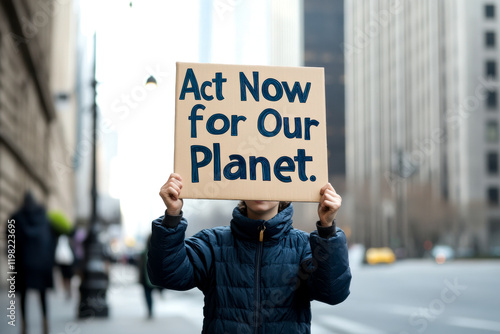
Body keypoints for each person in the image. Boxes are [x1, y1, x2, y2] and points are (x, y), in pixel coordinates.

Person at [148, 173, 351, 333]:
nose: (260, 188)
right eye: (253, 178)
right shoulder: (212, 243)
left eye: (270, 179)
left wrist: (327, 229)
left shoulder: (304, 246)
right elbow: (166, 275)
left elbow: (333, 293)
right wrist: (172, 217)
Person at [9, 192, 56, 334]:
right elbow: (51, 240)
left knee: (23, 295)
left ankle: (23, 325)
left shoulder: (16, 217)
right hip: (42, 263)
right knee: (42, 295)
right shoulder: (44, 217)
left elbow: (11, 242)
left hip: (23, 263)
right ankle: (45, 323)